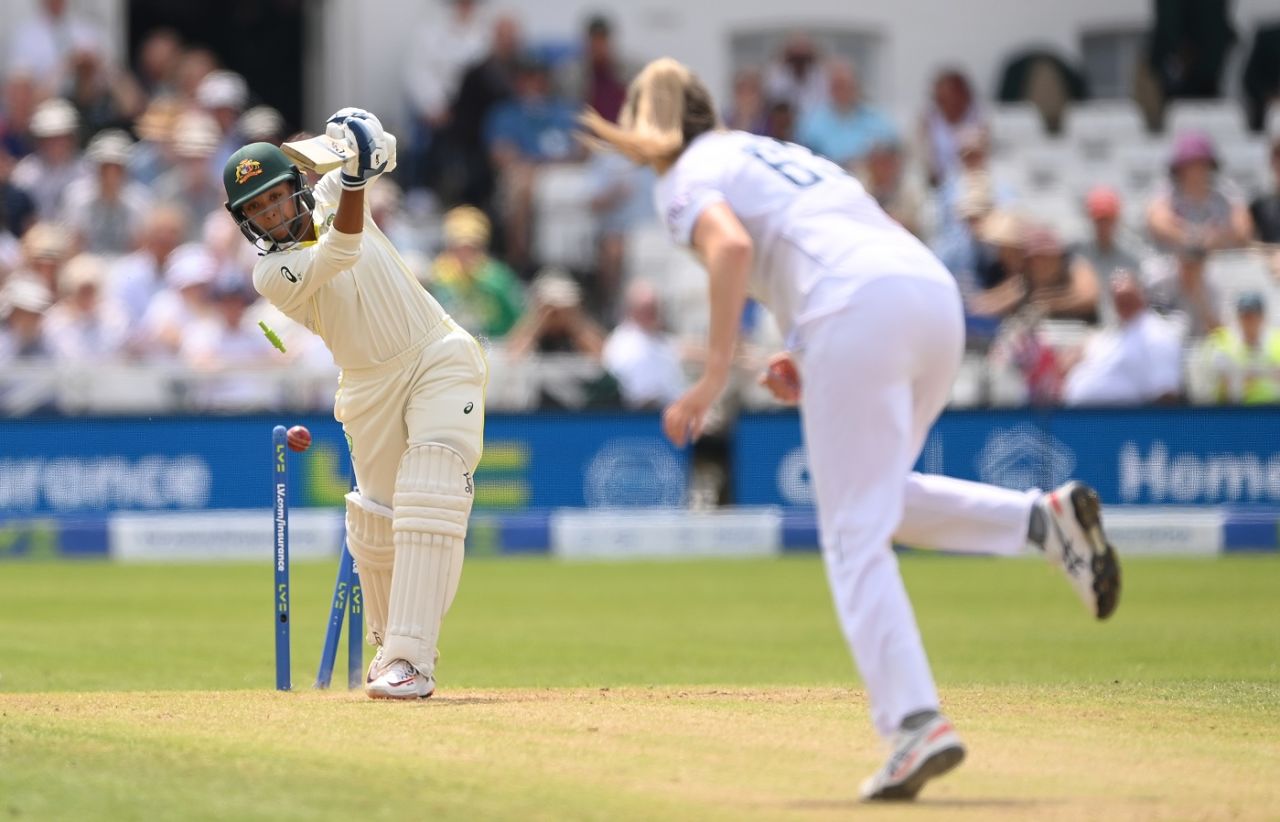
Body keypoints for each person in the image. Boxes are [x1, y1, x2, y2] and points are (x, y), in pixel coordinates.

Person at [582, 58, 1122, 801]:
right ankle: (1041, 521)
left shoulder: (683, 176)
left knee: (851, 534)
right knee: (878, 500)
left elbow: (732, 249)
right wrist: (808, 348)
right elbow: (830, 240)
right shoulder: (769, 151)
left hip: (857, 308)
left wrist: (712, 375)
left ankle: (915, 722)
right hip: (927, 297)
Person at [223, 108, 486, 700]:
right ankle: (390, 643)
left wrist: (357, 137)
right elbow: (341, 249)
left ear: (294, 189)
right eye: (256, 211)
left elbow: (381, 151)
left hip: (435, 352)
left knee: (432, 486)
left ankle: (410, 661)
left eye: (274, 199)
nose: (270, 215)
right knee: (376, 522)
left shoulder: (327, 187)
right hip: (366, 384)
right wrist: (357, 175)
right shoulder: (273, 272)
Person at [1062, 270, 1183, 406]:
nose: (1122, 302)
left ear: (1142, 293)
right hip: (1079, 419)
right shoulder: (1112, 334)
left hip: (1123, 422)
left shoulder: (1157, 333)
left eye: (1127, 296)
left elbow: (1166, 392)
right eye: (1117, 297)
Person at [1147, 131, 1253, 254]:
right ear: (1178, 168)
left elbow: (1243, 229)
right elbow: (1157, 223)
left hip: (1220, 261)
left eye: (1201, 164)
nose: (1196, 171)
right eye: (1190, 165)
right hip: (1174, 262)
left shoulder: (1226, 190)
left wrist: (1218, 238)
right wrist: (1194, 241)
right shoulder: (1167, 190)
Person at [428, 205, 525, 338]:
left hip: (495, 348)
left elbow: (519, 319)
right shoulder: (435, 277)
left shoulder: (498, 278)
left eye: (472, 247)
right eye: (459, 247)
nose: (465, 254)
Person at [1204, 292, 1280, 405]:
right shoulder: (1222, 342)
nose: (1249, 322)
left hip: (1272, 411)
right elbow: (1217, 385)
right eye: (1245, 317)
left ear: (1262, 317)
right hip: (1236, 411)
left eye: (1253, 317)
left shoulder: (1276, 341)